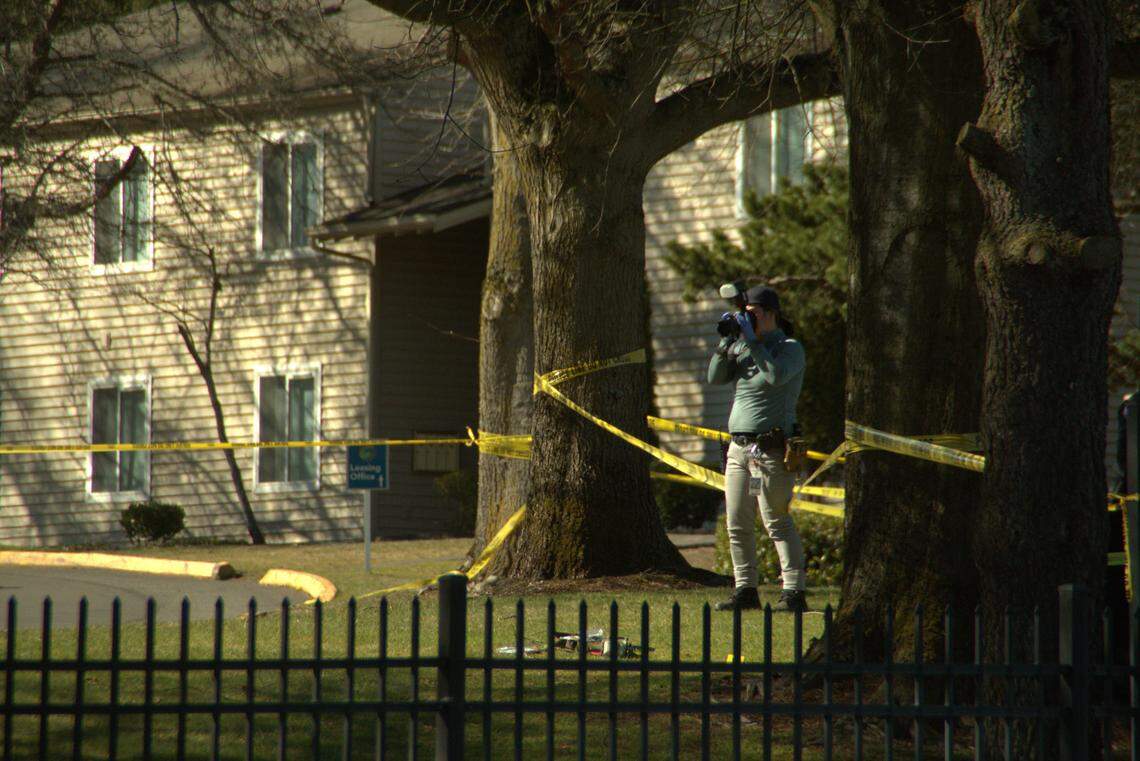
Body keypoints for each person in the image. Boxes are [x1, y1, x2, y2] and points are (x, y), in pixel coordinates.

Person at [708, 284, 808, 612]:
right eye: (744, 315)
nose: (747, 320)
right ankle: (745, 589)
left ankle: (793, 592)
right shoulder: (745, 346)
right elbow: (715, 377)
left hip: (771, 449)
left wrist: (752, 341)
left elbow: (775, 376)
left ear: (769, 313)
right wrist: (726, 343)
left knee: (775, 520)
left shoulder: (790, 348)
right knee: (736, 521)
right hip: (739, 450)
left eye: (752, 314)